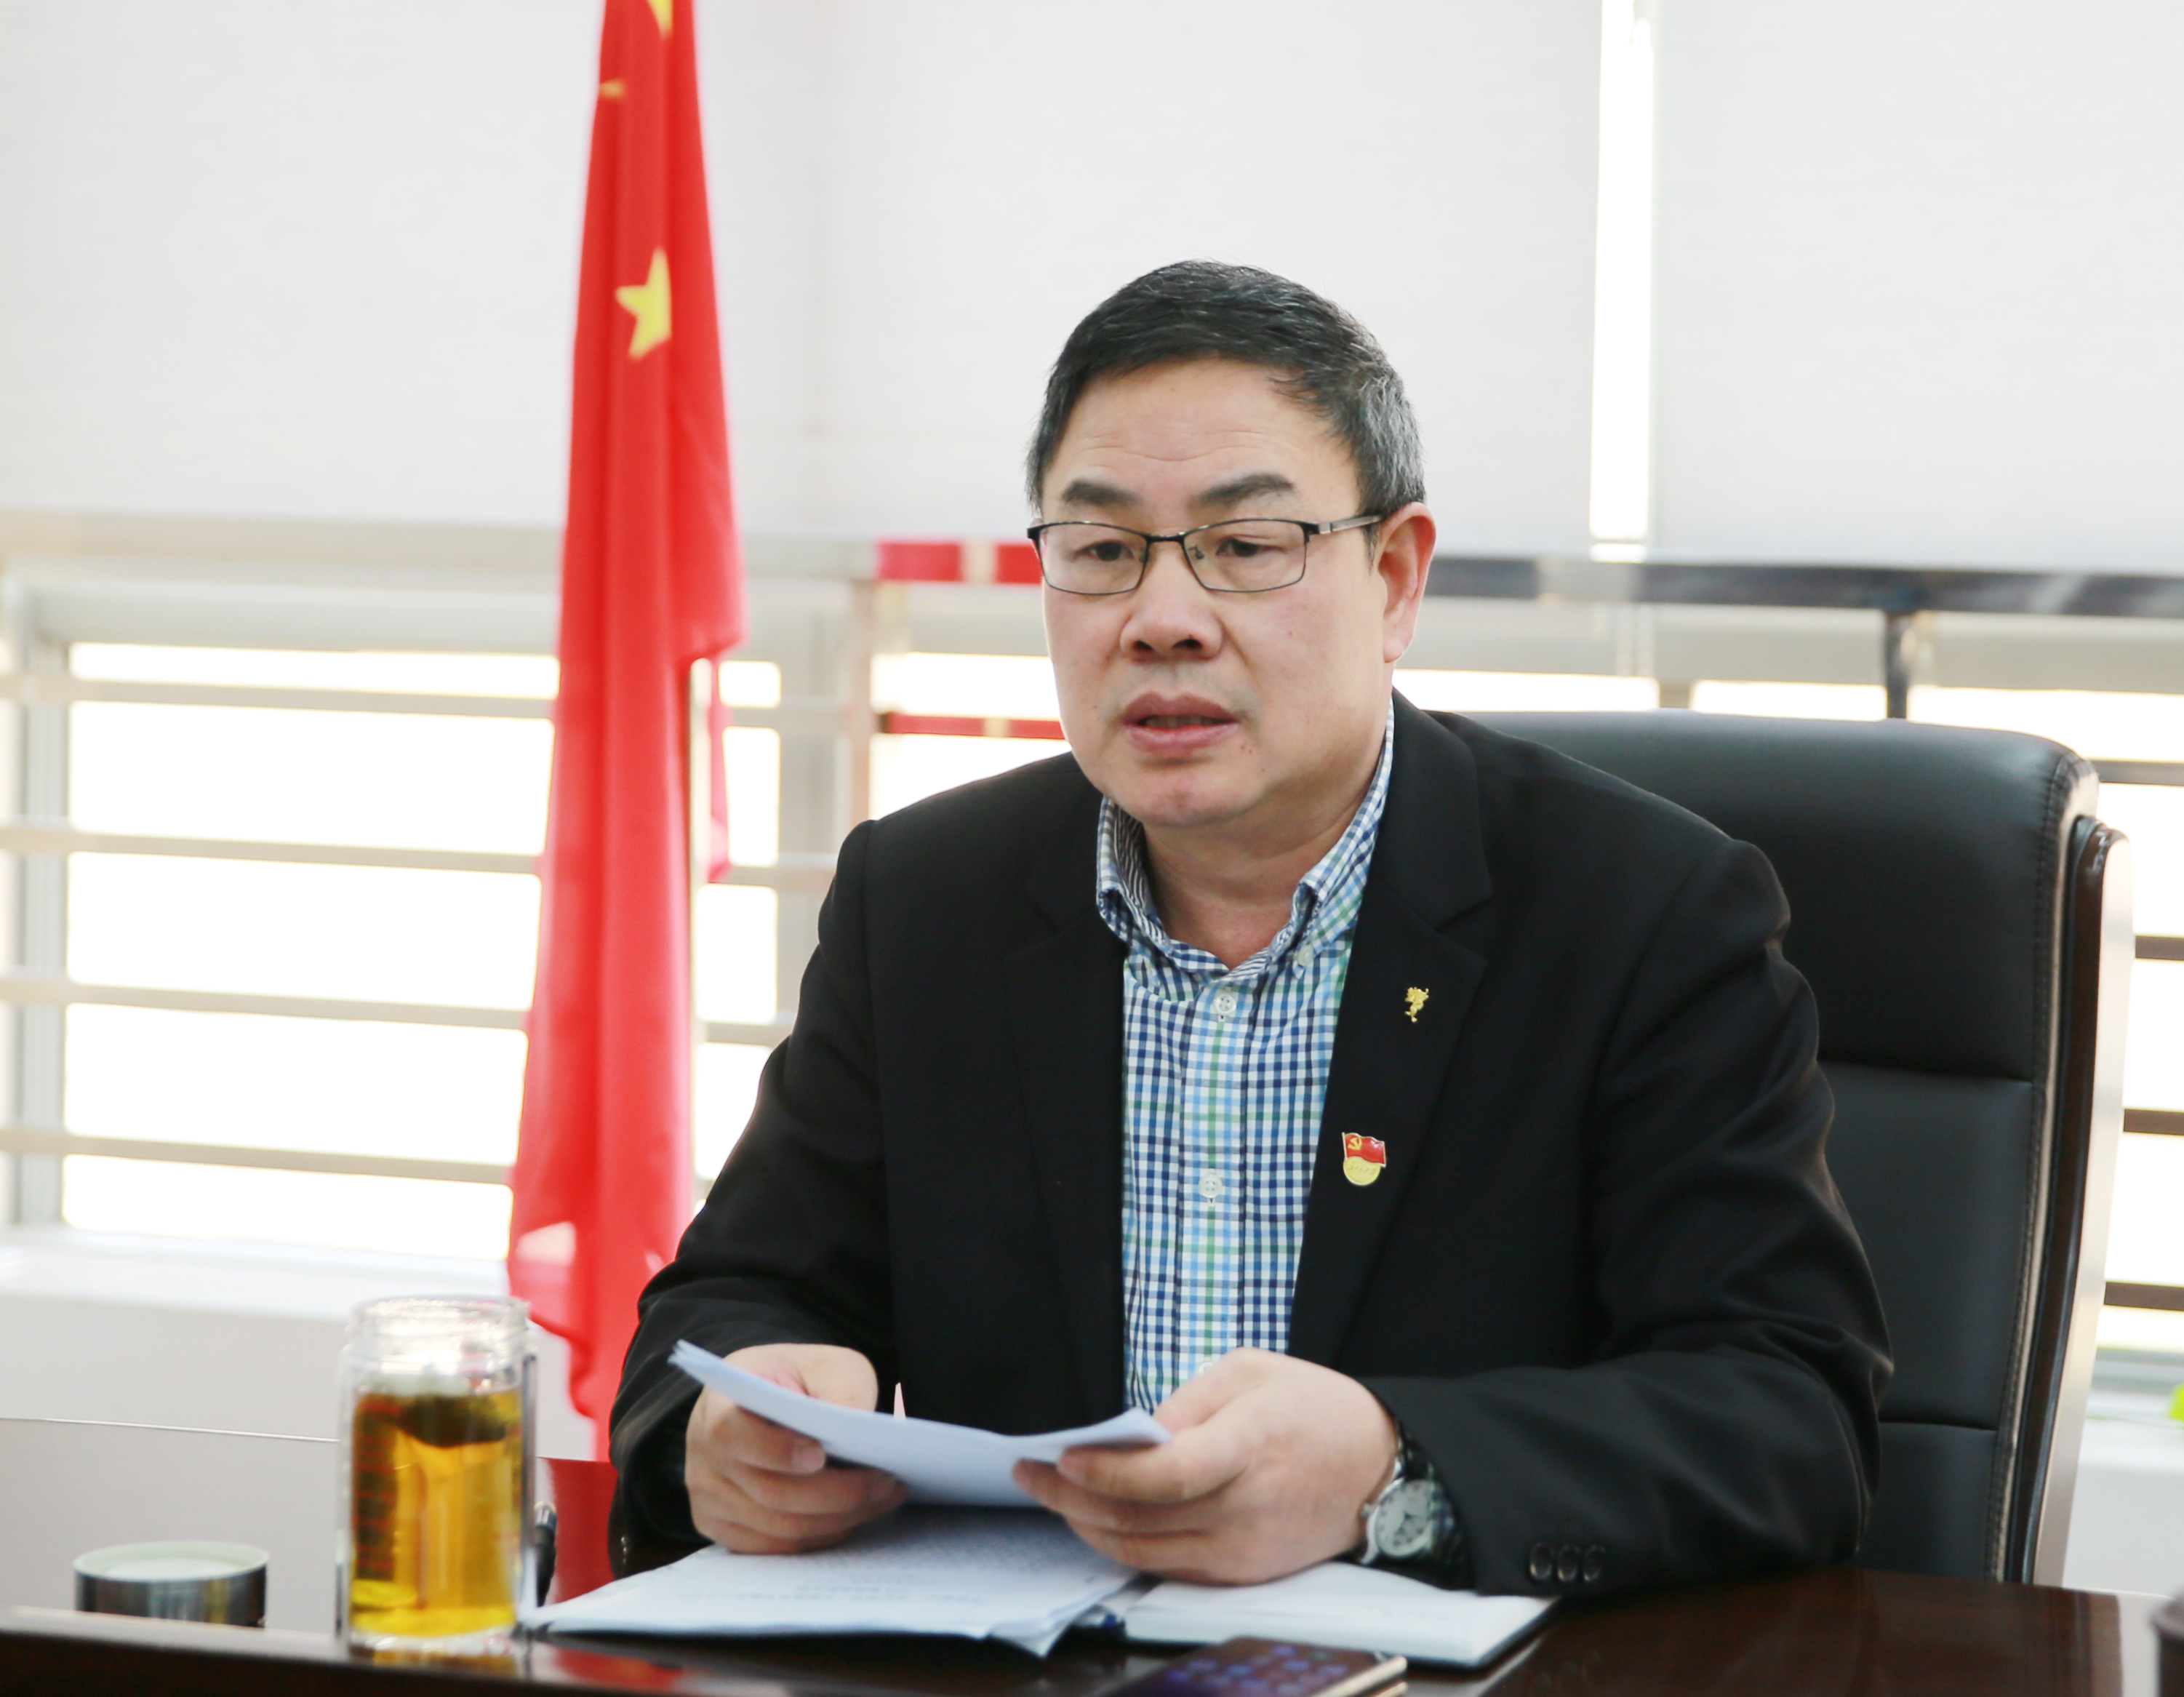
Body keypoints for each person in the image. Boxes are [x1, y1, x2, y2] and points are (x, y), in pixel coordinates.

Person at [611, 261, 1888, 1597]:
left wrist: (1393, 1472)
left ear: (1395, 578)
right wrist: (727, 1418)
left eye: (1246, 545)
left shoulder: (1640, 911)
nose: (1163, 622)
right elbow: (720, 1306)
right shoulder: (926, 899)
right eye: (1102, 551)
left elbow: (1788, 1413)